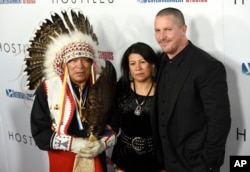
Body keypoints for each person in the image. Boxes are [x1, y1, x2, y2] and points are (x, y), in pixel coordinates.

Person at [24, 8, 116, 172]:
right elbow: (39, 133)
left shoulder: (102, 88)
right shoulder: (48, 89)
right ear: (65, 64)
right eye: (73, 60)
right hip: (62, 160)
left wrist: (102, 144)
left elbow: (115, 125)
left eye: (85, 60)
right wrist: (73, 144)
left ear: (91, 64)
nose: (79, 66)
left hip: (95, 159)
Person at [152, 7, 231, 172]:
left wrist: (207, 162)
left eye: (168, 30)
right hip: (166, 161)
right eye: (157, 30)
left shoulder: (208, 66)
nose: (161, 37)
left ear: (183, 29)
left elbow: (219, 120)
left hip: (196, 165)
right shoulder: (160, 61)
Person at [109, 42, 165, 172]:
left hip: (155, 160)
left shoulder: (164, 91)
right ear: (128, 68)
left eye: (143, 62)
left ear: (153, 65)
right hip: (124, 158)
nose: (138, 68)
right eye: (132, 64)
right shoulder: (120, 88)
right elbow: (112, 121)